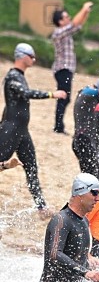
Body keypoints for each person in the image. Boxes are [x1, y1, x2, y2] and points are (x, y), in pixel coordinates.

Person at [0, 43, 67, 215]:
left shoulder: (20, 75)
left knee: (31, 167)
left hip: (22, 131)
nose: (34, 59)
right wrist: (52, 94)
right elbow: (26, 93)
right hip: (11, 130)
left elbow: (11, 104)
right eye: (32, 56)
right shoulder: (12, 76)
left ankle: (41, 206)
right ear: (22, 56)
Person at [35, 173, 99, 282]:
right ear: (80, 193)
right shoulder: (61, 220)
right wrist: (86, 272)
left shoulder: (84, 221)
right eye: (94, 193)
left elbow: (77, 255)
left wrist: (92, 262)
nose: (98, 198)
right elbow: (55, 254)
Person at [50, 1, 93, 134]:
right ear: (60, 21)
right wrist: (83, 8)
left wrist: (86, 13)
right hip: (62, 69)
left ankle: (58, 125)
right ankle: (58, 126)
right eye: (66, 17)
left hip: (66, 69)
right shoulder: (58, 32)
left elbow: (78, 24)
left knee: (65, 97)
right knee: (63, 97)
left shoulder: (65, 32)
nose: (68, 18)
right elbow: (74, 23)